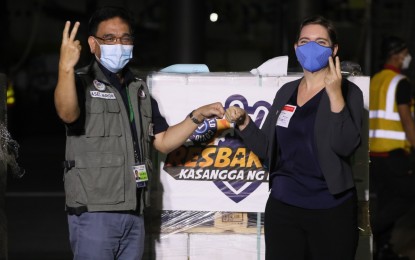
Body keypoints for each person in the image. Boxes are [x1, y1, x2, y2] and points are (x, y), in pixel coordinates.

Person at [54, 6, 224, 260]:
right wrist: (65, 69)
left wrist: (197, 115)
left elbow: (164, 142)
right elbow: (67, 113)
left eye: (125, 38)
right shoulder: (81, 83)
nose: (118, 44)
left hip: (134, 212)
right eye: (109, 39)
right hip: (95, 213)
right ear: (92, 43)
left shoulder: (139, 89)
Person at [225, 15, 363, 260]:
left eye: (320, 42)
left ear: (335, 49)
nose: (311, 47)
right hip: (284, 207)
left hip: (330, 210)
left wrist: (334, 95)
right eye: (304, 41)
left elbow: (345, 146)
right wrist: (244, 123)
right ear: (296, 48)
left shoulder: (350, 92)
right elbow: (267, 150)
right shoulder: (286, 92)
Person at [369, 35, 415, 260]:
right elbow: (407, 120)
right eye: (405, 53)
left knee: (387, 201)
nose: (408, 57)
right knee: (407, 197)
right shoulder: (400, 83)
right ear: (396, 55)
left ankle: (383, 249)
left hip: (374, 154)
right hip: (394, 153)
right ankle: (371, 231)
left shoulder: (375, 80)